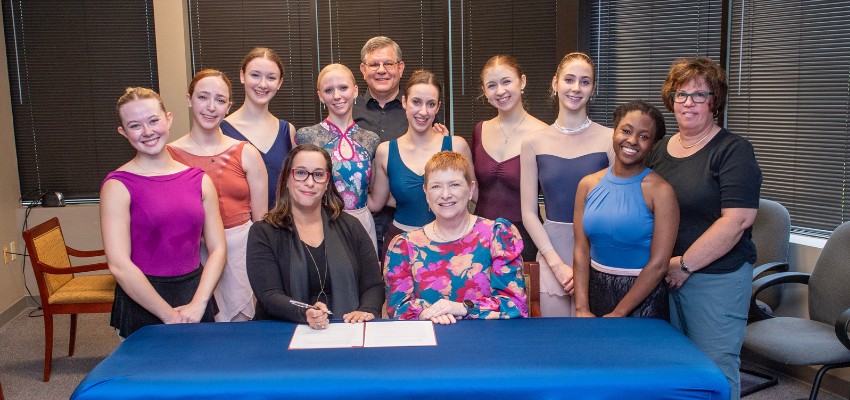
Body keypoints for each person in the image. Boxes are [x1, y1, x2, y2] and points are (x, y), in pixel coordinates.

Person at [647, 57, 761, 400]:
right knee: (675, 369)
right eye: (680, 94)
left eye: (699, 95)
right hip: (664, 277)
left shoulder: (733, 151)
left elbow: (737, 220)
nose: (688, 103)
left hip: (715, 278)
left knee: (715, 370)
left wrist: (684, 265)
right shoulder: (658, 151)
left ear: (715, 101)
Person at [101, 87, 226, 338]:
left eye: (153, 121)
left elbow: (218, 249)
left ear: (168, 119)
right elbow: (119, 264)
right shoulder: (117, 185)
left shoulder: (199, 180)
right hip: (143, 298)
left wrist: (199, 303)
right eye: (135, 126)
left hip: (195, 293)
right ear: (123, 132)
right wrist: (169, 315)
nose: (147, 132)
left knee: (200, 372)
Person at [246, 144, 385, 329]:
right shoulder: (263, 232)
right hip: (282, 333)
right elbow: (269, 295)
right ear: (287, 178)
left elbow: (373, 285)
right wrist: (306, 314)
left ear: (327, 183)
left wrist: (365, 311)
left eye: (318, 175)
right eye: (301, 173)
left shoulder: (351, 227)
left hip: (346, 329)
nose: (310, 182)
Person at [168, 69, 268, 322]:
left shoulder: (246, 153)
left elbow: (263, 223)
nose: (211, 107)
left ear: (228, 106)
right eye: (203, 97)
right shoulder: (169, 155)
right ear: (189, 99)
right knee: (195, 329)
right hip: (191, 252)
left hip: (239, 251)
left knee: (239, 328)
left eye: (220, 100)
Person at [520, 52, 613, 317]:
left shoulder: (610, 140)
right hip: (552, 252)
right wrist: (555, 263)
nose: (576, 88)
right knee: (553, 344)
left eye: (585, 82)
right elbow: (528, 212)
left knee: (594, 346)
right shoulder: (533, 143)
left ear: (593, 88)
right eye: (569, 79)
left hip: (599, 252)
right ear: (555, 83)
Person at [384, 151, 527, 324]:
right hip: (430, 344)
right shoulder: (404, 246)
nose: (445, 194)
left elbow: (514, 305)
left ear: (471, 189)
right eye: (436, 186)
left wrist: (461, 308)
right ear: (425, 191)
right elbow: (398, 309)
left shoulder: (498, 236)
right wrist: (426, 313)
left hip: (489, 343)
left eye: (454, 185)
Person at [573, 100, 678, 320]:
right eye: (626, 131)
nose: (632, 140)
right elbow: (581, 250)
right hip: (595, 290)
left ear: (652, 144)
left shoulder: (661, 192)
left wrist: (619, 312)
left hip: (643, 298)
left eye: (644, 136)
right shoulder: (587, 184)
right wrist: (582, 307)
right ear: (614, 132)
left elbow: (659, 265)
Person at [368, 70, 474, 260]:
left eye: (431, 104)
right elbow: (376, 203)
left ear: (438, 107)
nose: (423, 111)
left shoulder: (456, 146)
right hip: (402, 245)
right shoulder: (385, 151)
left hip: (452, 244)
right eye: (416, 102)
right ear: (404, 102)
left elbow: (474, 195)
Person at [295, 64, 381, 250]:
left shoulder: (371, 139)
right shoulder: (306, 136)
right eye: (328, 90)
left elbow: (374, 193)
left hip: (362, 224)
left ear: (355, 90)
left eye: (343, 88)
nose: (337, 96)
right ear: (320, 95)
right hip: (321, 224)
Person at [473, 55, 548, 263]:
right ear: (485, 92)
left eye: (506, 81)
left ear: (522, 82)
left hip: (524, 239)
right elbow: (470, 188)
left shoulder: (544, 134)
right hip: (481, 237)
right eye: (492, 85)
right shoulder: (480, 130)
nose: (500, 91)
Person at [221, 47, 295, 209]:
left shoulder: (287, 131)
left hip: (282, 227)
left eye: (271, 77)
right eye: (255, 75)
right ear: (242, 76)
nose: (262, 84)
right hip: (240, 230)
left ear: (279, 83)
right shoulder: (222, 130)